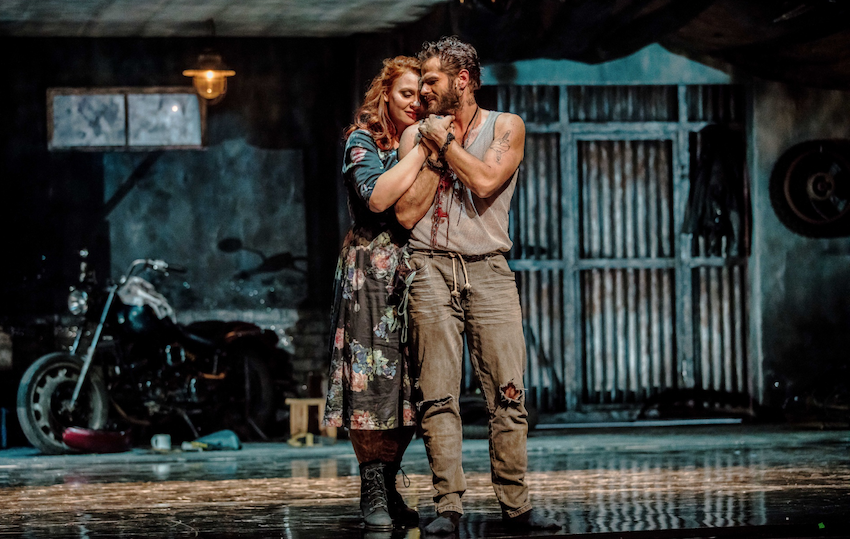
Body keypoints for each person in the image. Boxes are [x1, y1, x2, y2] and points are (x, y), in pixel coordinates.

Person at [395, 36, 560, 535]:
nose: (423, 90)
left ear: (462, 80)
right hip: (428, 267)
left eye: (431, 81)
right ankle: (448, 506)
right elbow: (405, 213)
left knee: (508, 393)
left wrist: (445, 146)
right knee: (437, 395)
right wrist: (431, 148)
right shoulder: (414, 135)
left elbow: (487, 182)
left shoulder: (505, 126)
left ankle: (516, 507)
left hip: (489, 269)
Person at [322, 56, 431, 531]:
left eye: (421, 97)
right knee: (370, 383)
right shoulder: (362, 140)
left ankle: (388, 483)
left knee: (412, 386)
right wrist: (423, 150)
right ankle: (371, 487)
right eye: (406, 94)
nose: (415, 104)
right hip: (370, 275)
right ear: (385, 93)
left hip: (416, 271)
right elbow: (375, 196)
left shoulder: (426, 140)